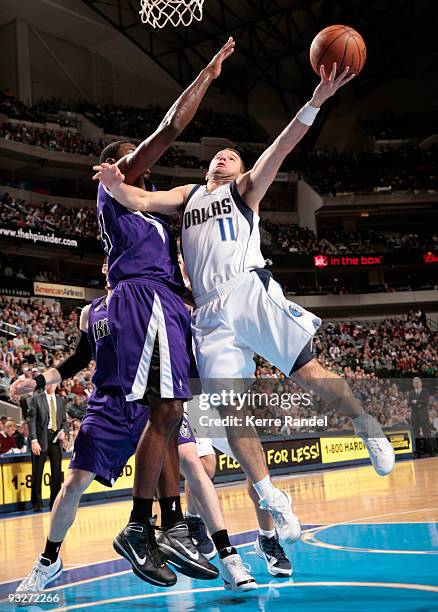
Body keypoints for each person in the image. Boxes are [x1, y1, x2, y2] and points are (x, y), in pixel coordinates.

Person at [93, 63, 395, 545]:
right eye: (219, 155)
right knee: (233, 414)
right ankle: (270, 495)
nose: (224, 157)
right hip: (207, 314)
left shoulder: (246, 190)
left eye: (233, 155)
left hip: (247, 290)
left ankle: (366, 424)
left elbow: (283, 145)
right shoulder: (186, 196)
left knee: (306, 368)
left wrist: (317, 99)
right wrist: (111, 181)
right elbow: (137, 199)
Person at [11, 262, 252, 594]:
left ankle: (228, 557)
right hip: (108, 405)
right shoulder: (91, 312)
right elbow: (77, 361)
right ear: (107, 268)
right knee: (73, 484)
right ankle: (49, 561)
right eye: (112, 259)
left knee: (195, 464)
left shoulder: (159, 301)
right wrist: (37, 381)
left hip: (152, 402)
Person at [94, 38, 236, 587]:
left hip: (165, 302)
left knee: (170, 414)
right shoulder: (115, 188)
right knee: (167, 407)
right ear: (116, 164)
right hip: (143, 298)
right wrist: (208, 72)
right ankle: (139, 525)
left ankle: (172, 522)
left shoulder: (149, 211)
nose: (141, 164)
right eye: (132, 157)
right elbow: (170, 129)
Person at [27, 384, 68, 511]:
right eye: (50, 382)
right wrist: (33, 440)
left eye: (54, 382)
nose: (52, 385)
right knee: (37, 473)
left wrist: (64, 431)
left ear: (57, 385)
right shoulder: (36, 399)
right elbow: (31, 421)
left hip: (56, 440)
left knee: (56, 473)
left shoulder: (61, 401)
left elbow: (64, 421)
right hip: (40, 440)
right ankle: (37, 503)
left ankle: (54, 502)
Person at [409, 377, 433, 456]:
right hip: (414, 417)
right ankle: (418, 452)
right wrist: (419, 404)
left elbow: (426, 401)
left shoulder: (425, 391)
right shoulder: (411, 393)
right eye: (414, 382)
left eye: (417, 382)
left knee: (427, 434)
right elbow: (409, 403)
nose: (416, 383)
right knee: (416, 435)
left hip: (424, 416)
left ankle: (430, 451)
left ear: (421, 383)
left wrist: (416, 402)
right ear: (413, 384)